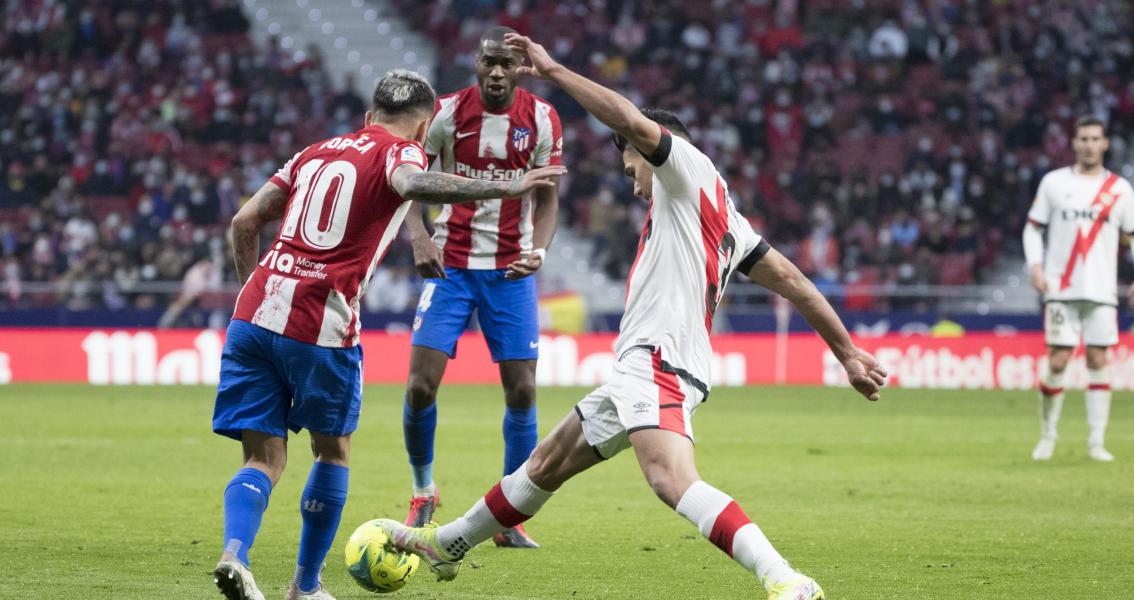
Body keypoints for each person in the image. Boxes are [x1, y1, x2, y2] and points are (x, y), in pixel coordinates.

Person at [384, 34, 887, 600]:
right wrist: (846, 352)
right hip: (647, 367)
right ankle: (447, 543)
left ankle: (785, 578)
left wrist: (554, 72)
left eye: (631, 162)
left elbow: (628, 115)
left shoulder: (684, 168)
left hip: (659, 361)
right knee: (546, 463)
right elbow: (793, 282)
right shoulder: (728, 217)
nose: (631, 177)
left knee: (670, 479)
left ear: (655, 149)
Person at [209, 69, 564, 600]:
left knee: (263, 459)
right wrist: (504, 185)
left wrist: (256, 298)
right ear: (425, 130)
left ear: (369, 116)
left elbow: (243, 222)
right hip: (320, 322)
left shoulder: (315, 151)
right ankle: (305, 587)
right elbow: (412, 183)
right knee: (331, 454)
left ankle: (234, 554)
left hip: (254, 313)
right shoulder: (404, 153)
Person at [399, 25, 563, 549]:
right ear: (475, 62)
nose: (496, 71)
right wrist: (420, 235)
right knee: (420, 385)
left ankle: (508, 516)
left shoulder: (541, 118)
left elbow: (549, 196)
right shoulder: (445, 113)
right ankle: (424, 490)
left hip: (510, 272)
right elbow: (407, 182)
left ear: (520, 68)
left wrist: (540, 251)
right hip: (449, 267)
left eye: (506, 64)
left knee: (523, 390)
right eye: (488, 62)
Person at [1023, 115, 1134, 462]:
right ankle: (1048, 435)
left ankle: (1097, 441)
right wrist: (1035, 265)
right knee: (1059, 359)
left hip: (1102, 290)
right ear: (1074, 143)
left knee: (1098, 357)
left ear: (1105, 143)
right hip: (1061, 288)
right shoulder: (1053, 183)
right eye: (1084, 138)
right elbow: (1032, 228)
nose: (1090, 144)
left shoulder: (1119, 189)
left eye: (1096, 138)